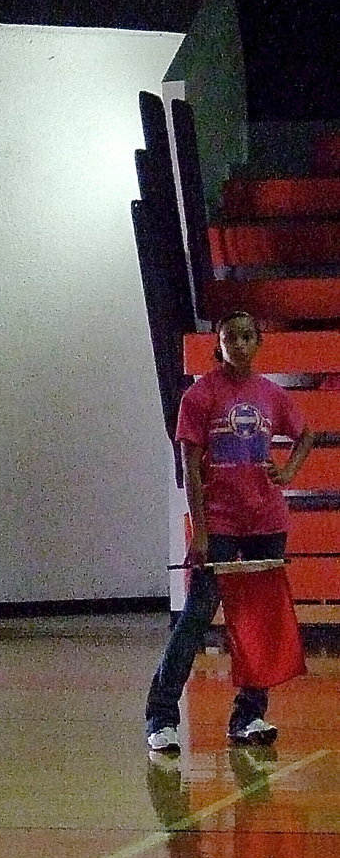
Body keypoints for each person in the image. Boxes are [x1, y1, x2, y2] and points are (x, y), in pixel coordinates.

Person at [145, 310, 314, 755]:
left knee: (258, 620)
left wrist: (289, 471)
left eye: (246, 337)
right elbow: (190, 471)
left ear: (257, 342)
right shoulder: (199, 398)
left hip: (266, 521)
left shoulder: (272, 395)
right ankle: (161, 717)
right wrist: (200, 532)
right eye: (228, 338)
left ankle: (249, 716)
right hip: (219, 523)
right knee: (198, 615)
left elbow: (305, 435)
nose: (238, 345)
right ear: (217, 345)